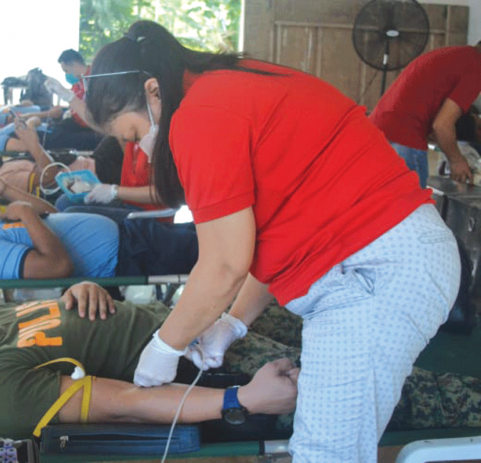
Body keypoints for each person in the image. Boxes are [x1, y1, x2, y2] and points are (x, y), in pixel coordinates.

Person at [83, 20, 461, 463]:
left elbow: (224, 264)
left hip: (375, 270)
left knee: (325, 454)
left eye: (133, 135)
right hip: (386, 259)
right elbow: (273, 230)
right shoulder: (230, 84)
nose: (142, 151)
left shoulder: (199, 117)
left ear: (152, 92)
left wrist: (165, 345)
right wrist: (234, 322)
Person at [0, 282, 481, 440]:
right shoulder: (2, 394)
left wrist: (81, 292)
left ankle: (435, 321)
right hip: (201, 362)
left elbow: (59, 315)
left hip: (192, 317)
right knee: (383, 383)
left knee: (353, 312)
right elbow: (128, 401)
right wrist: (241, 401)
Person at [0, 197, 198, 280]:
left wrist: (8, 192)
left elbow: (49, 213)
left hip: (132, 236)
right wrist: (26, 215)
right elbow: (57, 267)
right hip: (132, 255)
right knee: (219, 249)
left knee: (209, 235)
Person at [369, 41, 481, 187]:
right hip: (404, 137)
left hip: (377, 130)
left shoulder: (457, 55)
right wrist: (457, 161)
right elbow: (442, 125)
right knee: (414, 205)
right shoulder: (475, 69)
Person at [0, 135, 123, 200]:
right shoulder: (4, 179)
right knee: (117, 140)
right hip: (92, 178)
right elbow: (48, 176)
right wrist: (32, 141)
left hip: (91, 163)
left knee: (114, 138)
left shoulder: (2, 169)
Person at [0, 114, 102, 153]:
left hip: (54, 131)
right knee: (96, 138)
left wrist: (30, 122)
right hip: (54, 141)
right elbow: (28, 146)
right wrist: (30, 124)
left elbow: (34, 121)